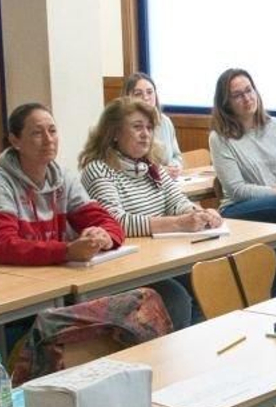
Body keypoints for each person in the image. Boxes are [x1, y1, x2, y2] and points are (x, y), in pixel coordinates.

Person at [79, 98, 221, 328]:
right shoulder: (99, 169)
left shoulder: (151, 167)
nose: (145, 134)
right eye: (137, 127)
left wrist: (200, 213)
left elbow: (178, 202)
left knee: (210, 279)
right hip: (123, 269)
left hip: (158, 261)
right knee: (176, 299)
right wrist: (177, 223)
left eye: (149, 128)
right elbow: (116, 222)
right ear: (114, 133)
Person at [0, 102, 125, 267]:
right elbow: (2, 246)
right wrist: (66, 251)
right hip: (0, 275)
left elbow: (107, 222)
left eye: (52, 131)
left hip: (48, 271)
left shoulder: (64, 179)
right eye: (37, 133)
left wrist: (104, 236)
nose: (49, 140)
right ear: (15, 141)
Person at [207, 68, 276, 231]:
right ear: (226, 103)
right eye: (237, 95)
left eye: (249, 90)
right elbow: (237, 190)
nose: (247, 98)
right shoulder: (219, 138)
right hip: (240, 207)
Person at [122, 72, 184, 172]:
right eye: (138, 94)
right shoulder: (124, 125)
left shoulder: (165, 121)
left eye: (149, 92)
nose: (145, 97)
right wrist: (162, 171)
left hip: (168, 179)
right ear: (128, 97)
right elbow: (127, 164)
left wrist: (174, 167)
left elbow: (177, 156)